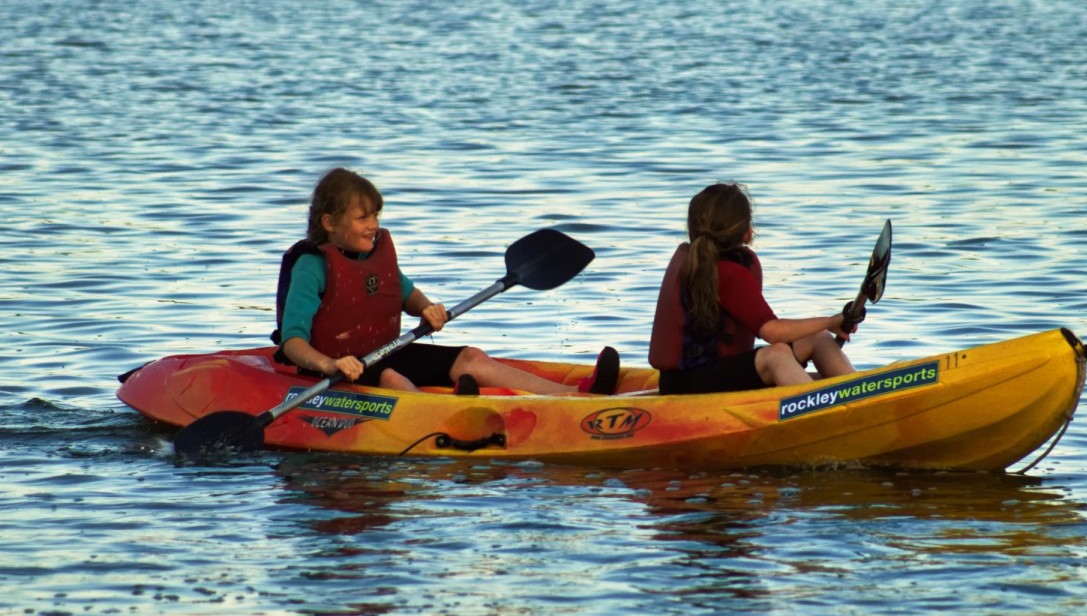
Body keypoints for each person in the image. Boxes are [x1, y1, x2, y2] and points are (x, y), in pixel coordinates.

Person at [272, 168, 619, 395]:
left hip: (383, 354)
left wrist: (427, 308)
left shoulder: (375, 256)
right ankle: (449, 412)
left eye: (375, 215)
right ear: (330, 223)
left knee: (471, 356)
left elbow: (405, 293)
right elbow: (292, 342)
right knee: (393, 380)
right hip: (335, 370)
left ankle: (576, 397)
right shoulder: (312, 267)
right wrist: (330, 364)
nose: (373, 224)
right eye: (362, 217)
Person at [648, 181, 859, 395]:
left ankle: (859, 393)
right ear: (747, 232)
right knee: (777, 355)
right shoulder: (727, 273)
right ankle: (821, 412)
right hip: (687, 385)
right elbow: (772, 331)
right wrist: (831, 321)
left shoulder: (701, 263)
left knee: (818, 337)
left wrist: (826, 326)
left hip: (703, 376)